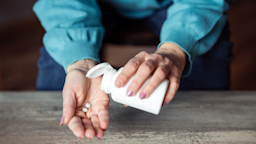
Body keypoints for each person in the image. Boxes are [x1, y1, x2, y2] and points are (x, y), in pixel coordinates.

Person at [33, 0, 233, 140]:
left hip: (174, 5)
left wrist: (175, 51)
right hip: (88, 6)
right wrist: (79, 63)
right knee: (60, 66)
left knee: (207, 55)